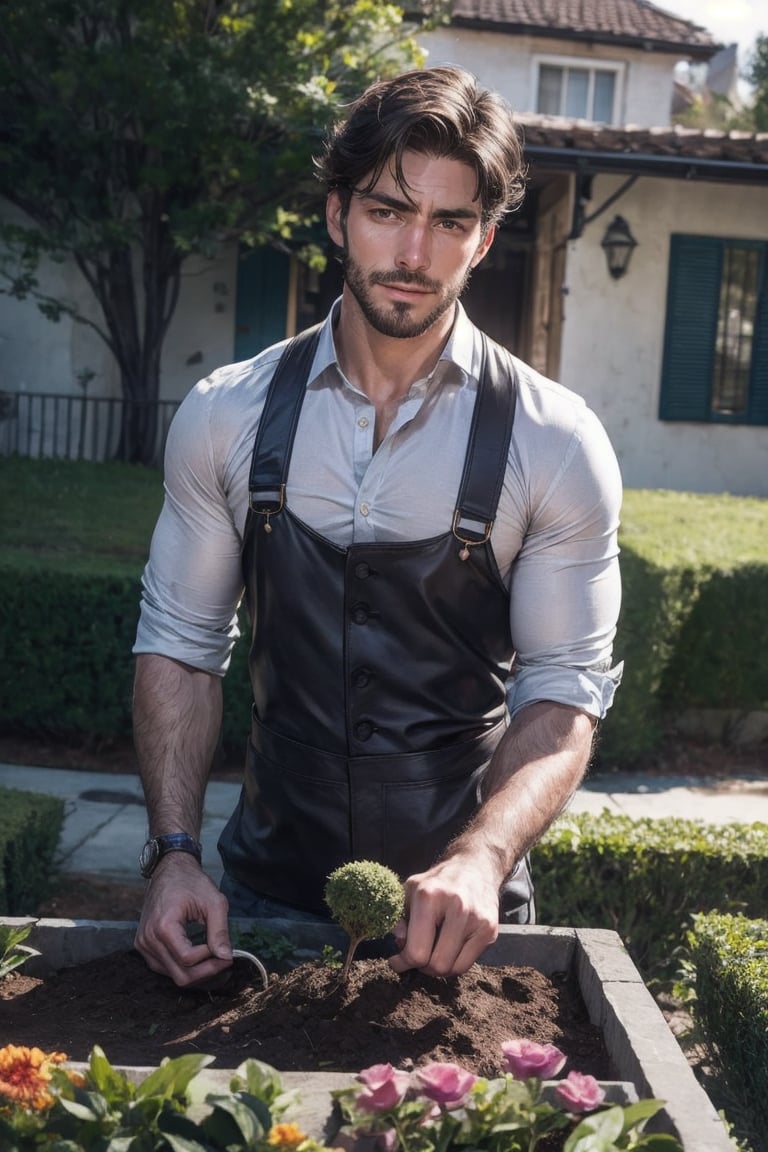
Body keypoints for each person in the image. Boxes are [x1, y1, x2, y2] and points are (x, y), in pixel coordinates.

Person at [132, 64, 623, 989]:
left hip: (465, 916)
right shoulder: (226, 416)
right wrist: (172, 854)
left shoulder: (556, 442)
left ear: (482, 242)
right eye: (388, 210)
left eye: (449, 222)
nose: (414, 250)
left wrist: (485, 856)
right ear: (335, 215)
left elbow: (562, 691)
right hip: (263, 895)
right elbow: (182, 648)